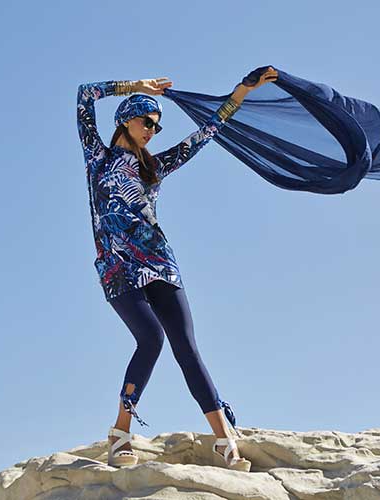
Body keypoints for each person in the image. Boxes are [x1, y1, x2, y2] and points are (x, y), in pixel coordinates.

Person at [76, 68, 278, 471]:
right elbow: (85, 94)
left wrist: (240, 93)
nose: (153, 131)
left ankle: (224, 439)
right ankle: (120, 433)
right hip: (117, 265)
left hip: (160, 262)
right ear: (125, 120)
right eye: (147, 122)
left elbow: (206, 133)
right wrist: (136, 86)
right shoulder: (97, 157)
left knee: (186, 346)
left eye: (157, 125)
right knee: (150, 338)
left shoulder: (155, 165)